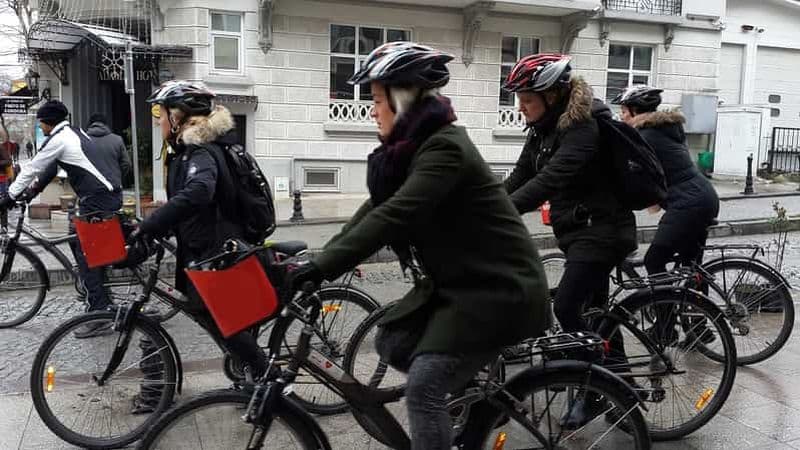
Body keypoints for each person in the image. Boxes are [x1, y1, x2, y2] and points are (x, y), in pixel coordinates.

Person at [287, 42, 549, 449]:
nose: (372, 110)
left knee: (423, 390)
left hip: (499, 290)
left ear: (403, 99)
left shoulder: (445, 149)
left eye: (378, 100)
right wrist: (317, 260)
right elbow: (376, 210)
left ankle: (444, 411)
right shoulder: (414, 150)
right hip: (464, 285)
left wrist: (321, 269)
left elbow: (396, 215)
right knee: (391, 341)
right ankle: (465, 402)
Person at [502, 54, 637, 426]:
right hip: (580, 232)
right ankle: (623, 387)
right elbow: (521, 175)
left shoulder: (582, 127)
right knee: (596, 315)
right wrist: (484, 204)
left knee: (566, 307)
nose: (521, 107)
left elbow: (551, 179)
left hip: (602, 232)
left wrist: (503, 212)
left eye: (527, 100)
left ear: (552, 96)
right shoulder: (542, 128)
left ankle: (594, 392)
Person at [132, 81, 267, 411]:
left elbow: (198, 193)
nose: (159, 122)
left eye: (161, 114)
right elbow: (191, 205)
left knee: (224, 322)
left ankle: (268, 378)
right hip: (209, 250)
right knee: (224, 320)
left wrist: (151, 223)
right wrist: (159, 229)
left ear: (178, 116)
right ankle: (250, 372)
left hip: (217, 253)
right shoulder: (194, 150)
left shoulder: (201, 151)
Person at [0, 101, 124, 338]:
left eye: (41, 122)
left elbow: (33, 167)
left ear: (49, 122)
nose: (40, 126)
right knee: (80, 243)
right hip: (102, 196)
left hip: (97, 199)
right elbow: (50, 169)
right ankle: (99, 295)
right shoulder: (72, 132)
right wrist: (31, 193)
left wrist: (9, 197)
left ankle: (99, 312)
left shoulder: (59, 139)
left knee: (86, 253)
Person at [614, 86, 720, 341]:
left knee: (654, 260)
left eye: (624, 111)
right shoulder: (662, 129)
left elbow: (632, 173)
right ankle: (698, 329)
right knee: (691, 266)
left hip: (688, 202)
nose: (621, 116)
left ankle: (665, 327)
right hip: (703, 197)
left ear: (635, 111)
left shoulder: (646, 136)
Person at [85, 114, 132, 186]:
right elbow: (127, 163)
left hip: (91, 186)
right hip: (113, 184)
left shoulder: (83, 140)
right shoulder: (117, 139)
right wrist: (117, 175)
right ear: (105, 125)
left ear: (90, 125)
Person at [0, 129, 13, 233]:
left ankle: (4, 226)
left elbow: (8, 161)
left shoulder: (0, 147)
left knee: (2, 202)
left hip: (1, 180)